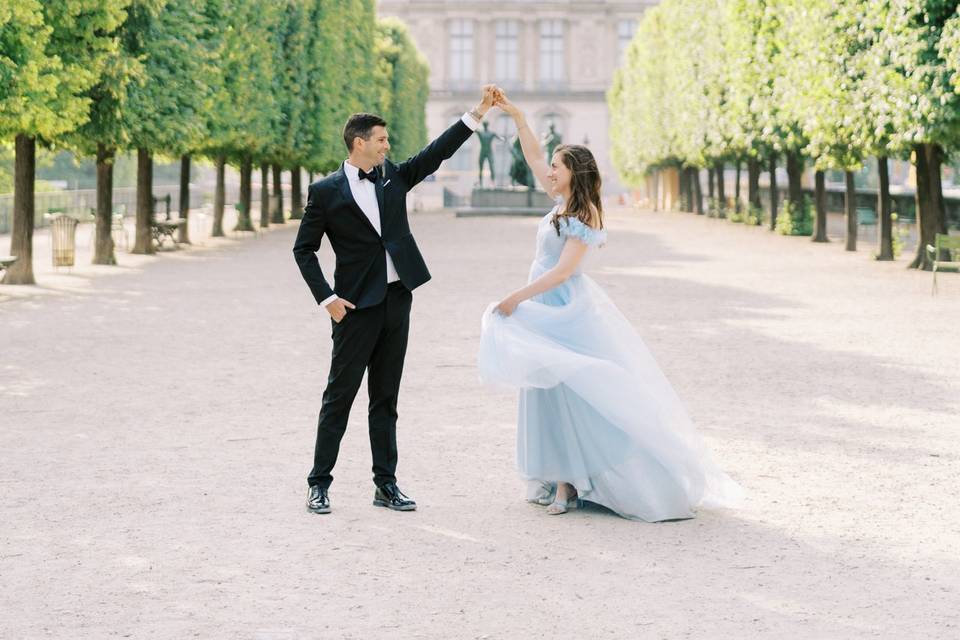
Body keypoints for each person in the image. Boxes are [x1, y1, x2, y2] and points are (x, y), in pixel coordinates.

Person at [478, 91, 744, 521]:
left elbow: (564, 273)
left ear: (573, 174)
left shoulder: (584, 217)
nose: (549, 170)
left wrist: (515, 298)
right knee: (546, 391)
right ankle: (556, 474)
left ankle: (569, 482)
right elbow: (531, 155)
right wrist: (517, 116)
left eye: (557, 167)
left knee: (572, 392)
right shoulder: (560, 203)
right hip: (543, 304)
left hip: (562, 307)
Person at [294, 85, 500, 515]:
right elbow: (304, 249)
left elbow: (435, 153)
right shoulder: (326, 191)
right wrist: (326, 299)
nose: (389, 145)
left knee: (386, 399)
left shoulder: (392, 177)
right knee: (339, 398)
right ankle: (319, 483)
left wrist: (477, 113)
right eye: (382, 139)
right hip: (353, 308)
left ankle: (385, 485)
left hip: (396, 300)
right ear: (360, 143)